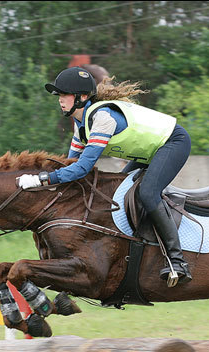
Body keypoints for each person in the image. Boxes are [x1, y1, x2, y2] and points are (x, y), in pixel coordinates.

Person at [17, 67, 192, 286]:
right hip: (150, 150)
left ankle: (177, 261)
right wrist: (47, 183)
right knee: (118, 193)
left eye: (64, 95)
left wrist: (41, 179)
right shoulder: (81, 126)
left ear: (81, 98)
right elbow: (71, 166)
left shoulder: (102, 119)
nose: (60, 100)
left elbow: (82, 169)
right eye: (59, 96)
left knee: (148, 193)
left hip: (172, 142)